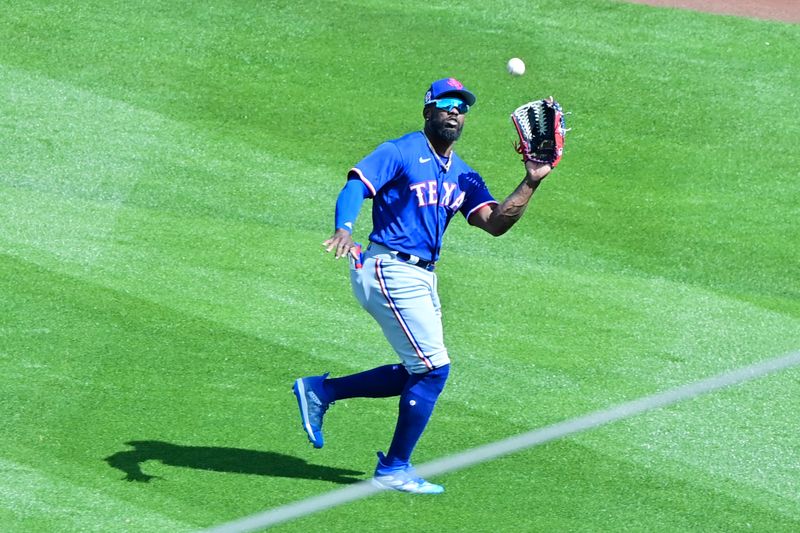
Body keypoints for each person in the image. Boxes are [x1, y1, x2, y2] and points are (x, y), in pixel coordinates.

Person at [293, 77, 556, 494]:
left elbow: (495, 223)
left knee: (421, 369)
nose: (455, 111)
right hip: (388, 266)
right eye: (446, 104)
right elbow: (355, 186)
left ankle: (321, 391)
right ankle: (394, 467)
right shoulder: (400, 150)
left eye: (462, 106)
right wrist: (344, 227)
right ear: (428, 111)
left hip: (422, 276)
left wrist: (532, 180)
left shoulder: (464, 175)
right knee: (434, 369)